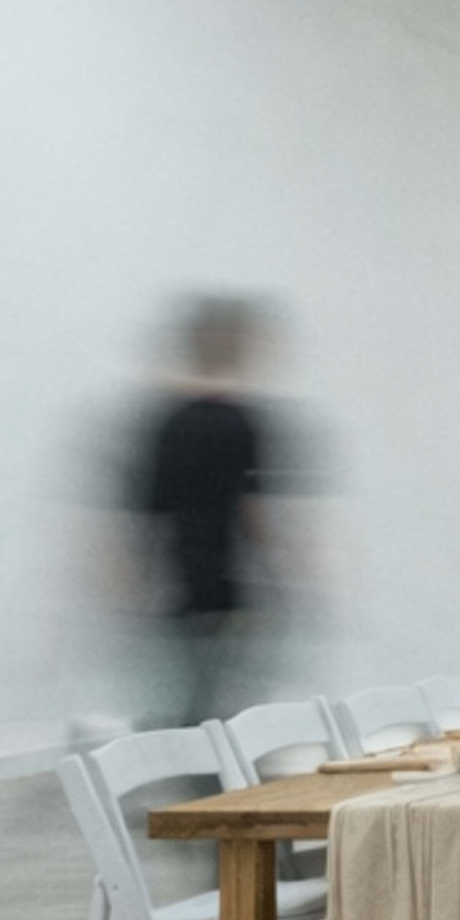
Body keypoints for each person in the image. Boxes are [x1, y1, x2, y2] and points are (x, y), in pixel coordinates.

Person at [115, 295, 298, 730]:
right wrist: (284, 577)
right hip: (226, 588)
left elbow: (145, 516)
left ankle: (177, 772)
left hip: (178, 586)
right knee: (216, 709)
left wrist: (134, 586)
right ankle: (200, 780)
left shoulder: (166, 421)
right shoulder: (240, 421)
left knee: (198, 701)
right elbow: (252, 514)